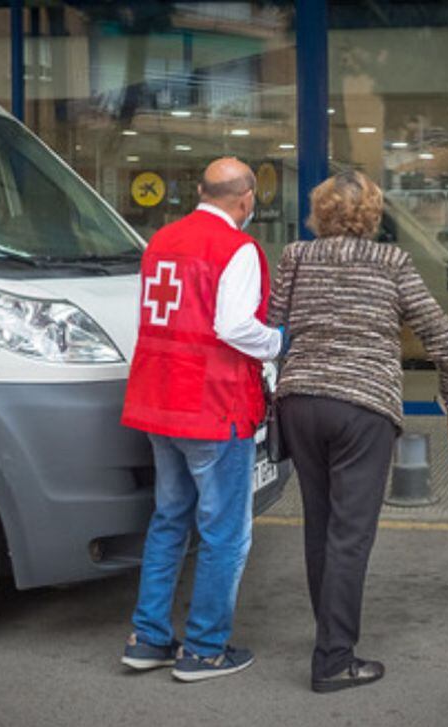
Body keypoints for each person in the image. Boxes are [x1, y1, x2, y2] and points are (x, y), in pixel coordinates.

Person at [269, 170, 448, 694]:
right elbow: (446, 338)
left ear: (320, 212)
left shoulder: (295, 256)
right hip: (362, 407)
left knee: (320, 525)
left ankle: (329, 633)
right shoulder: (391, 262)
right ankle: (333, 659)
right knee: (351, 534)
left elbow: (269, 324)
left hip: (300, 402)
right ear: (372, 215)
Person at [119, 157, 284, 682]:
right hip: (213, 406)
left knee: (169, 520)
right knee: (225, 533)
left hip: (157, 399)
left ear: (199, 190)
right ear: (247, 198)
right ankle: (205, 648)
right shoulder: (238, 249)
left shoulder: (160, 240)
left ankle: (148, 639)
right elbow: (234, 325)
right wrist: (280, 342)